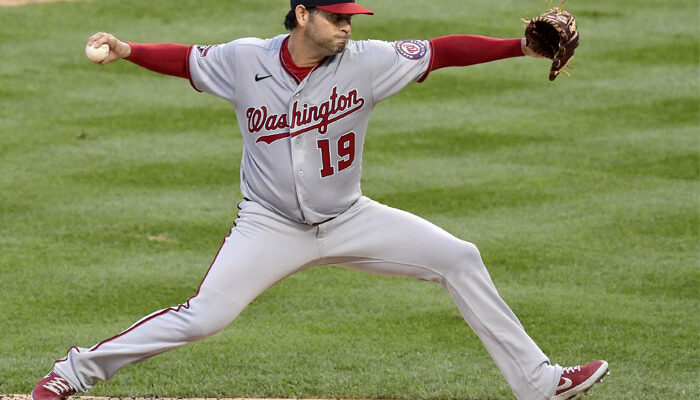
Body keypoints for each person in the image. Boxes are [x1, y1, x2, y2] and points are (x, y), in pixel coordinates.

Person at [31, 1, 609, 400]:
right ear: (303, 15)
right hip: (269, 225)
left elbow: (441, 51)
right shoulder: (245, 60)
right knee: (205, 316)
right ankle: (72, 373)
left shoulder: (368, 62)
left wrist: (519, 48)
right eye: (336, 17)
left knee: (459, 257)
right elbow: (185, 59)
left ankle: (539, 382)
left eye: (350, 18)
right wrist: (128, 48)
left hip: (350, 218)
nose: (346, 27)